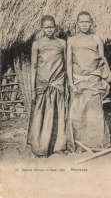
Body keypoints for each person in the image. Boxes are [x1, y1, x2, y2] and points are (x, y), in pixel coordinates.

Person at [66, 11, 111, 152]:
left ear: (91, 23)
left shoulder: (97, 39)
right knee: (77, 114)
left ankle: (96, 144)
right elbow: (68, 64)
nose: (84, 24)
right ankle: (79, 145)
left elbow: (102, 61)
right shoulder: (71, 41)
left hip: (94, 81)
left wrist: (104, 80)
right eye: (81, 22)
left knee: (95, 114)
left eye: (87, 21)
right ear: (77, 23)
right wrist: (72, 84)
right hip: (78, 82)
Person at [27, 15, 67, 157]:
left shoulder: (62, 43)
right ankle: (40, 149)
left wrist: (65, 85)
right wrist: (33, 89)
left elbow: (66, 65)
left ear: (55, 27)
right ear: (42, 28)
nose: (50, 29)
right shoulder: (37, 44)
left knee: (58, 114)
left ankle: (58, 146)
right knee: (41, 116)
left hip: (57, 83)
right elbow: (34, 67)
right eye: (46, 27)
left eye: (52, 26)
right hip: (42, 85)